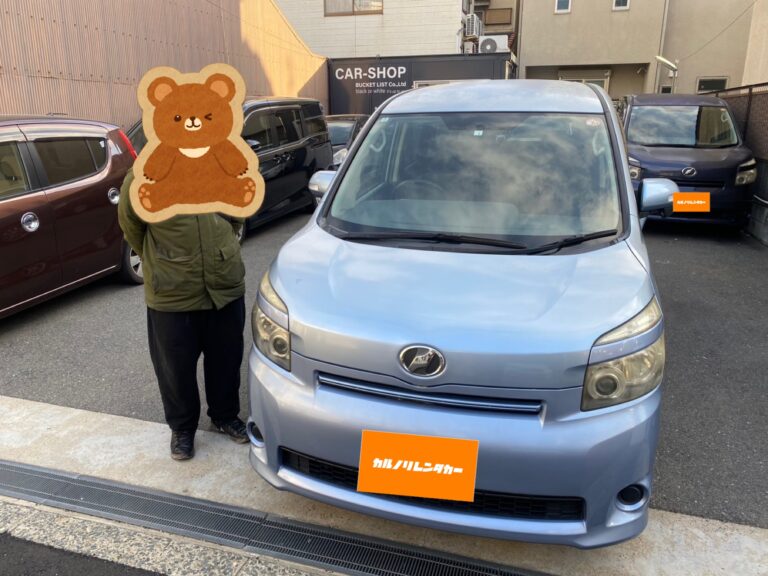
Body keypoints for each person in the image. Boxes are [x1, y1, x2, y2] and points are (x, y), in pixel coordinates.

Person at [118, 168, 249, 461]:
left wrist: (225, 243)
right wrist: (162, 261)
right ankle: (182, 428)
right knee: (174, 368)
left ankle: (225, 415)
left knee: (226, 358)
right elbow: (131, 225)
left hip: (224, 284)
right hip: (172, 293)